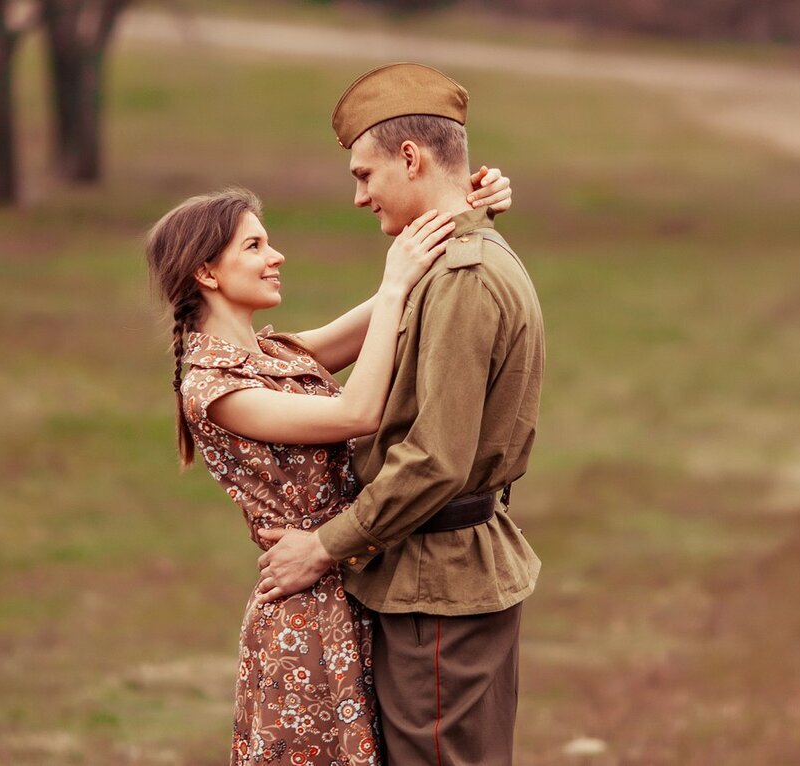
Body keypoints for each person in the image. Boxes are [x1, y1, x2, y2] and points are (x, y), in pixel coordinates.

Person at [145, 170, 511, 764]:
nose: (276, 255)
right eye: (254, 246)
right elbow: (357, 411)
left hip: (352, 586)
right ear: (207, 273)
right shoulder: (215, 388)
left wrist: (463, 209)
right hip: (308, 620)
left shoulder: (274, 356)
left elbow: (394, 299)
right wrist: (393, 285)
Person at [255, 63, 545, 766]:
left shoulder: (463, 279)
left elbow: (437, 458)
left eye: (364, 174)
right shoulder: (449, 262)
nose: (358, 197)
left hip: (438, 591)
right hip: (432, 579)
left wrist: (322, 546)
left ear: (410, 159)